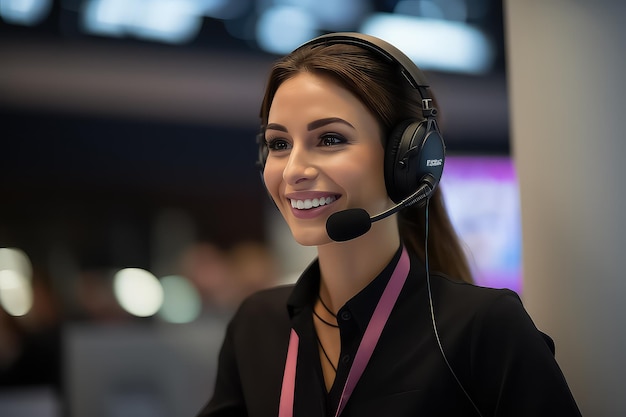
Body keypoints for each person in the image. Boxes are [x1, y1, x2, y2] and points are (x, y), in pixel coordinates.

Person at [196, 32, 582, 417]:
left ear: (406, 159)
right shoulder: (256, 325)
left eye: (330, 139)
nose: (294, 170)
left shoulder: (486, 328)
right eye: (279, 144)